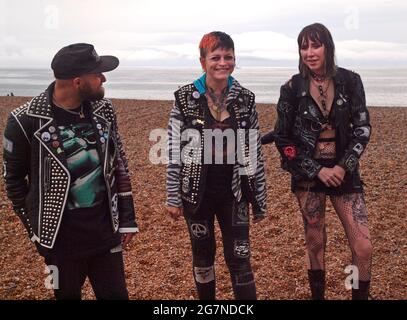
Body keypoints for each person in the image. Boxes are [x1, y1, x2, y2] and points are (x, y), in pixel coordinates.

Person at [2, 43, 138, 300]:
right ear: (78, 82)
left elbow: (118, 162)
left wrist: (127, 219)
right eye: (98, 74)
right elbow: (14, 182)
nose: (104, 78)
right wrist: (36, 232)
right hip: (60, 243)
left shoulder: (103, 110)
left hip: (106, 234)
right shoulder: (24, 121)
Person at [271, 23, 373, 300]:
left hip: (344, 173)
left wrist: (342, 166)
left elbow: (363, 129)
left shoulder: (351, 81)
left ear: (328, 47)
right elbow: (283, 139)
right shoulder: (292, 88)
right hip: (308, 177)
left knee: (362, 246)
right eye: (304, 47)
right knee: (315, 244)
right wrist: (317, 170)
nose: (309, 52)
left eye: (315, 45)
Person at [166, 31, 267, 300]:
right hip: (195, 194)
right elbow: (174, 151)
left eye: (228, 57)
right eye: (216, 57)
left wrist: (259, 200)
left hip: (235, 193)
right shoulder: (184, 98)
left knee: (240, 258)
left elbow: (254, 151)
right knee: (202, 257)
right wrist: (172, 197)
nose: (223, 62)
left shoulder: (246, 98)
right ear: (203, 61)